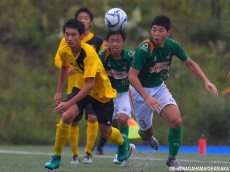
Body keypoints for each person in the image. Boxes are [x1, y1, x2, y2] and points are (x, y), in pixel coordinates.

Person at [128, 15, 218, 171]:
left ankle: (172, 159)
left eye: (160, 30)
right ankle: (147, 137)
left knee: (176, 120)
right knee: (146, 132)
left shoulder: (172, 46)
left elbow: (189, 63)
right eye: (153, 30)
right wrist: (146, 97)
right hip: (138, 92)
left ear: (168, 32)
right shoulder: (144, 49)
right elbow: (132, 76)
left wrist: (206, 80)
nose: (156, 34)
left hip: (158, 88)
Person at [44, 19, 135, 170]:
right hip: (81, 86)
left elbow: (91, 84)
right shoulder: (64, 50)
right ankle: (56, 157)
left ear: (81, 36)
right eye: (67, 34)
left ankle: (123, 142)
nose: (70, 38)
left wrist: (68, 103)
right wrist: (59, 91)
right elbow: (64, 69)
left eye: (73, 35)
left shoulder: (90, 53)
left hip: (101, 93)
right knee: (66, 117)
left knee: (106, 133)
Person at [54, 7, 105, 164]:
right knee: (72, 119)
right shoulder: (67, 40)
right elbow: (59, 61)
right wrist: (59, 90)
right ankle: (75, 155)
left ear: (90, 22)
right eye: (80, 17)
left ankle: (88, 152)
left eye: (86, 17)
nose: (83, 20)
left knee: (92, 117)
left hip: (93, 86)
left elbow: (102, 61)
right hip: (75, 85)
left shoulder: (97, 42)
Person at [97, 30, 134, 162]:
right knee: (111, 127)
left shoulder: (130, 56)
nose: (115, 44)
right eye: (111, 41)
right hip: (109, 94)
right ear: (107, 42)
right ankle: (124, 145)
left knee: (123, 119)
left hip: (125, 92)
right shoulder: (102, 55)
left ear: (123, 42)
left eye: (118, 41)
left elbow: (139, 72)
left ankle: (121, 151)